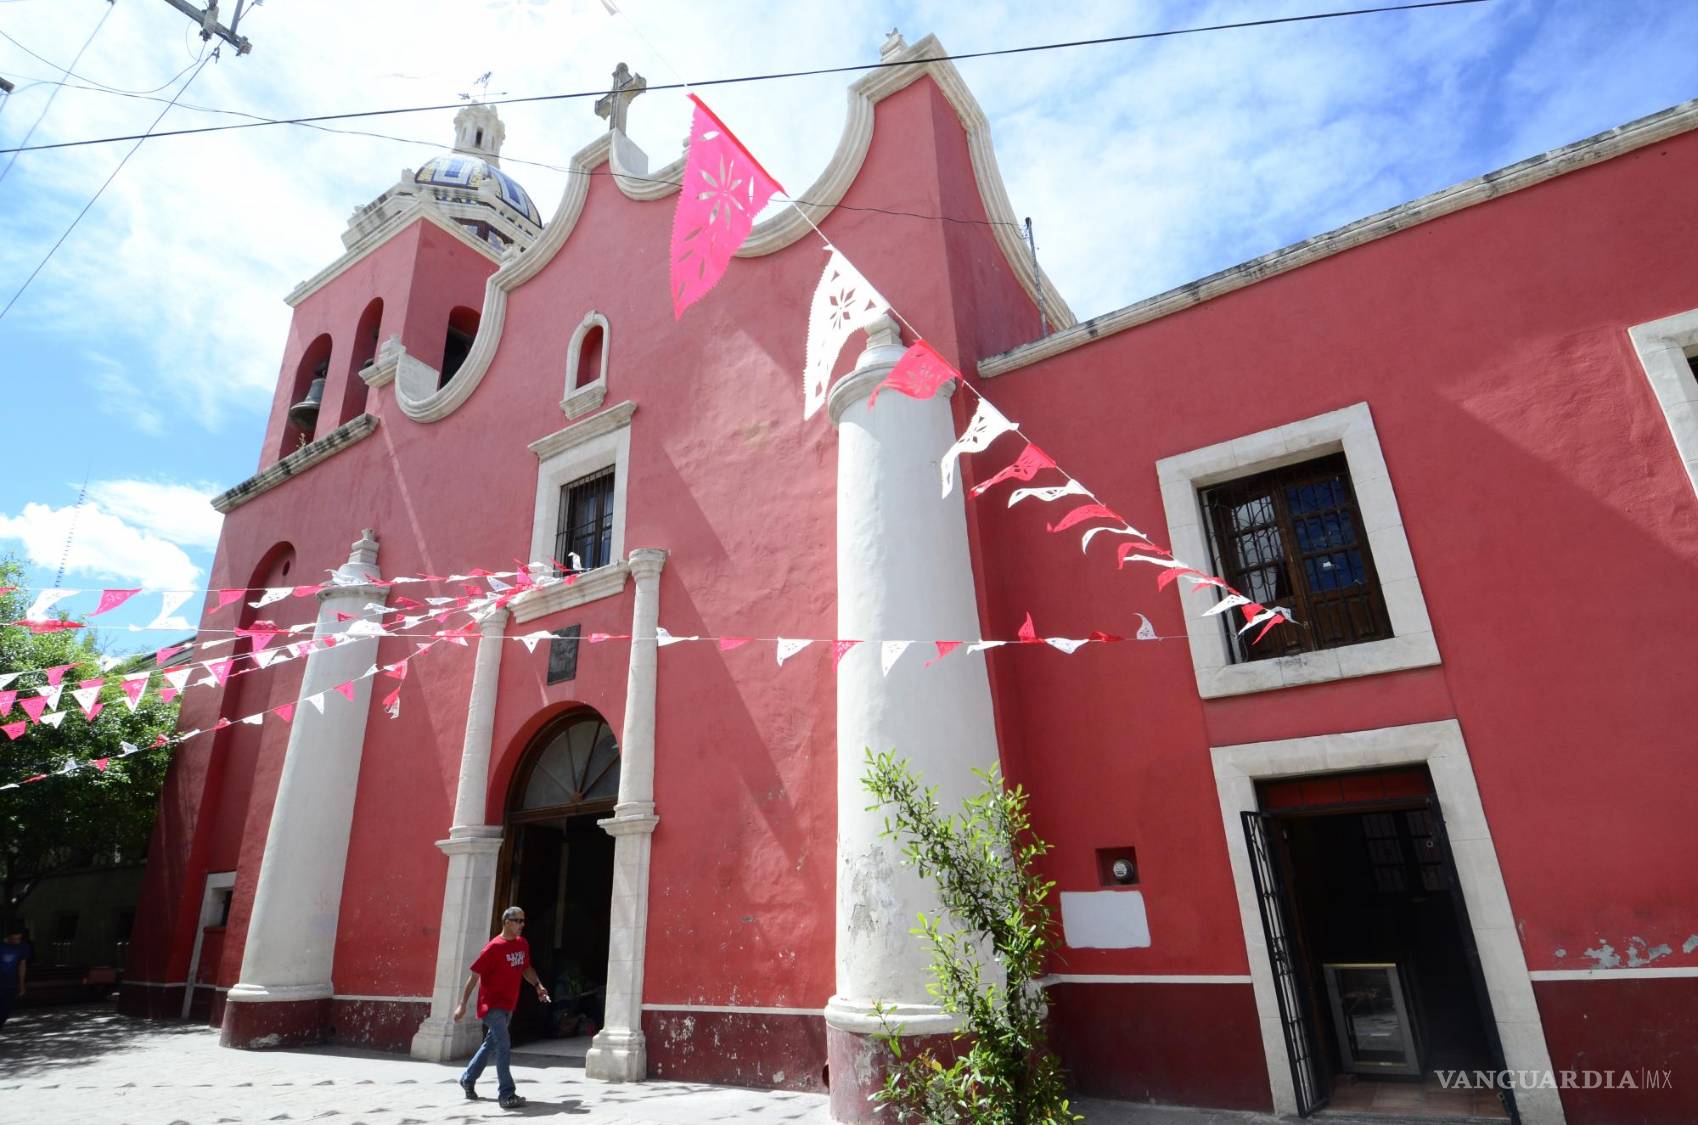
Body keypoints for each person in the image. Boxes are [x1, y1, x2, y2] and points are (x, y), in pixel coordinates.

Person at [452, 906, 549, 1109]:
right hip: (491, 1006)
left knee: (490, 1044)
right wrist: (462, 1005)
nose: (522, 925)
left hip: (508, 1004)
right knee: (503, 1044)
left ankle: (468, 1079)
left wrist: (538, 986)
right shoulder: (493, 948)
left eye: (523, 921)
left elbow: (526, 968)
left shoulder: (522, 944)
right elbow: (474, 977)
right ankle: (507, 1094)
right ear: (507, 922)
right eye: (518, 921)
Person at [0, 926, 29, 1030]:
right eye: (14, 939)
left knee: (6, 1010)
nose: (17, 941)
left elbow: (22, 966)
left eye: (19, 938)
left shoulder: (23, 947)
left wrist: (21, 985)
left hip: (11, 983)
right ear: (8, 937)